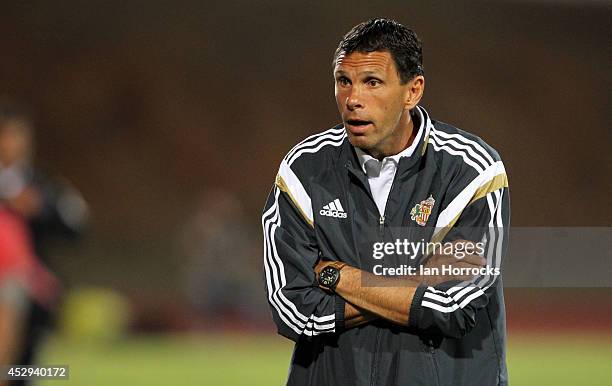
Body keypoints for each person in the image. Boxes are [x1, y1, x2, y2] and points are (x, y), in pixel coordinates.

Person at [262, 19, 509, 385]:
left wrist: (335, 276)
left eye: (372, 82)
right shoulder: (304, 169)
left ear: (413, 91)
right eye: (343, 81)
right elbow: (293, 310)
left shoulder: (471, 170)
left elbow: (454, 306)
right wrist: (414, 282)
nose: (353, 99)